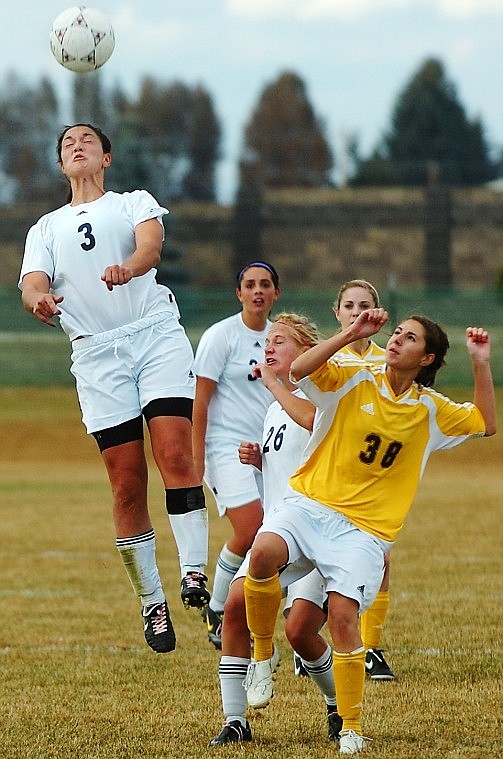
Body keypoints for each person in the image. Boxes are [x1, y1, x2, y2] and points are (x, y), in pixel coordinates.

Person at [242, 309, 496, 754]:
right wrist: (350, 333)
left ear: (426, 357)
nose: (396, 339)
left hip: (363, 532)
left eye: (410, 338)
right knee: (262, 553)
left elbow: (485, 423)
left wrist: (479, 361)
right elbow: (298, 371)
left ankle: (351, 728)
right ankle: (263, 656)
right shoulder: (355, 374)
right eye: (396, 332)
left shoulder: (431, 410)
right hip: (310, 503)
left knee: (342, 617)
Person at [18, 123, 210, 655]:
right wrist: (38, 300)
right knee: (127, 483)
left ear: (106, 157)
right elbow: (33, 281)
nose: (76, 146)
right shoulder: (45, 228)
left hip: (153, 335)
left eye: (86, 140)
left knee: (174, 450)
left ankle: (195, 575)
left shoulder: (132, 202)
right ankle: (152, 600)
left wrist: (127, 268)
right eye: (66, 144)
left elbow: (150, 248)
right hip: (96, 355)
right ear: (61, 165)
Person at [209, 312, 345, 746]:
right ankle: (236, 720)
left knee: (300, 630)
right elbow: (293, 463)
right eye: (267, 341)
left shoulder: (323, 392)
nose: (268, 348)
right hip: (282, 529)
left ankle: (338, 707)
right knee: (235, 606)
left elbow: (312, 422)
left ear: (305, 349)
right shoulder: (273, 407)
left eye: (280, 341)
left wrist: (273, 382)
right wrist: (260, 460)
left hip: (322, 530)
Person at [291, 279, 394, 682]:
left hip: (373, 481)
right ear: (337, 312)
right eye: (349, 305)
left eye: (364, 304)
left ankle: (371, 649)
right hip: (327, 479)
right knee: (306, 563)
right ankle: (293, 643)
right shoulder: (328, 360)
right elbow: (301, 380)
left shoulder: (390, 363)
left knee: (381, 561)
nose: (356, 311)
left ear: (377, 311)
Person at [193, 261, 280, 649]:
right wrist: (196, 461)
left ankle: (223, 609)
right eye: (249, 284)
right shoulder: (221, 336)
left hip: (268, 450)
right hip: (225, 447)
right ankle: (219, 609)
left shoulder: (281, 338)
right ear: (238, 293)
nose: (257, 291)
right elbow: (199, 402)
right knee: (251, 529)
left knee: (273, 535)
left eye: (265, 284)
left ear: (276, 293)